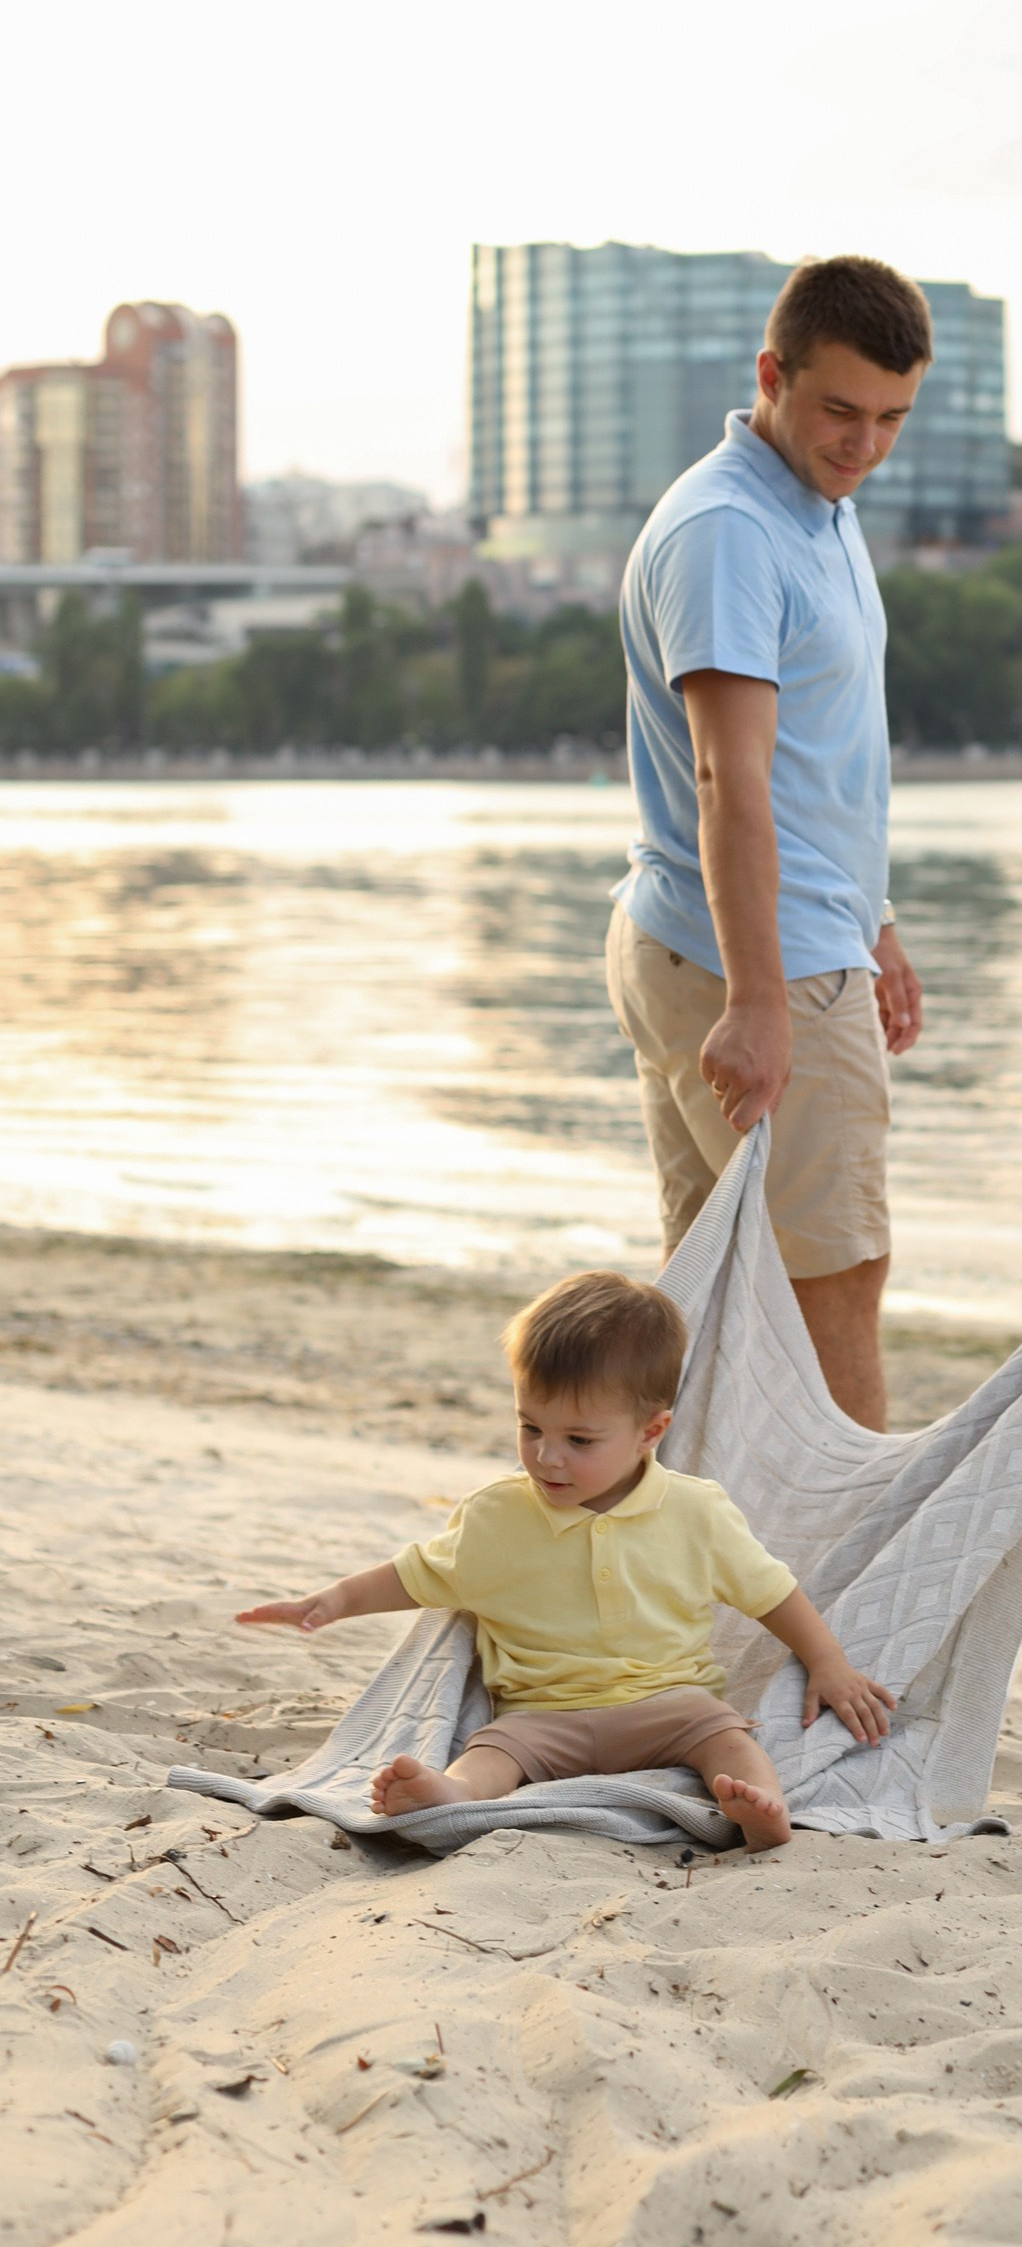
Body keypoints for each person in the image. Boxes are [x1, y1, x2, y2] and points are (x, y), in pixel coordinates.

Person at [606, 256, 933, 1432]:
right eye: (839, 410)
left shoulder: (818, 509)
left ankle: (687, 1584)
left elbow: (827, 758)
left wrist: (875, 920)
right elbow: (727, 777)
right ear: (771, 376)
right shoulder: (731, 530)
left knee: (706, 1304)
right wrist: (758, 998)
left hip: (760, 938)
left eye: (891, 418)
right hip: (758, 958)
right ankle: (849, 1601)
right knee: (832, 1288)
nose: (864, 445)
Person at [237, 1270, 895, 1845]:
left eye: (578, 1439)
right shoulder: (498, 1516)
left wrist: (827, 1662)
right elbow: (416, 1573)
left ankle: (760, 1808)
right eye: (530, 1428)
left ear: (650, 1432)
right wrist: (331, 1602)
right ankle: (453, 1796)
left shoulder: (696, 1513)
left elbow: (770, 1593)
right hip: (541, 1715)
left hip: (667, 1706)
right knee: (492, 1753)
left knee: (728, 1738)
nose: (547, 1457)